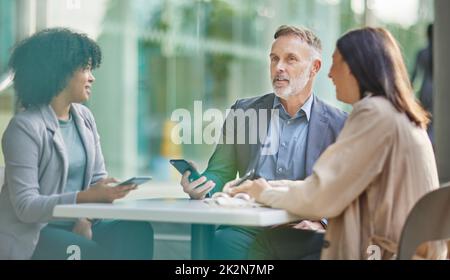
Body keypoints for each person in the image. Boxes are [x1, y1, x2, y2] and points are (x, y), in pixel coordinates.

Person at [230, 27, 447, 260]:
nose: (331, 74)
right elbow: (330, 185)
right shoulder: (400, 115)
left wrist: (264, 194)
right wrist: (268, 187)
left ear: (355, 68)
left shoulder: (373, 114)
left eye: (336, 64)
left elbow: (321, 195)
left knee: (266, 243)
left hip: (380, 253)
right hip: (405, 250)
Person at [180, 25, 347, 259]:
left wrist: (324, 223)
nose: (279, 67)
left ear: (314, 68)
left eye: (290, 59)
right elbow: (220, 172)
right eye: (274, 59)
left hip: (300, 228)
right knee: (223, 242)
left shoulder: (340, 124)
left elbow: (344, 192)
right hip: (248, 227)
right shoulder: (244, 111)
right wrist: (202, 185)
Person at [0, 28, 154, 260]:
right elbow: (26, 206)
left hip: (79, 224)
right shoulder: (24, 127)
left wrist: (85, 219)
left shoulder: (84, 118)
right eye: (85, 68)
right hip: (36, 233)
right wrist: (86, 198)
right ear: (59, 73)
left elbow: (96, 181)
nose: (91, 77)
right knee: (87, 252)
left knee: (135, 231)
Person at [411, 24, 433, 143]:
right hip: (438, 88)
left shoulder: (422, 52)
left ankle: (426, 143)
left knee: (426, 118)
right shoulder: (443, 51)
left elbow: (415, 75)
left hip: (426, 88)